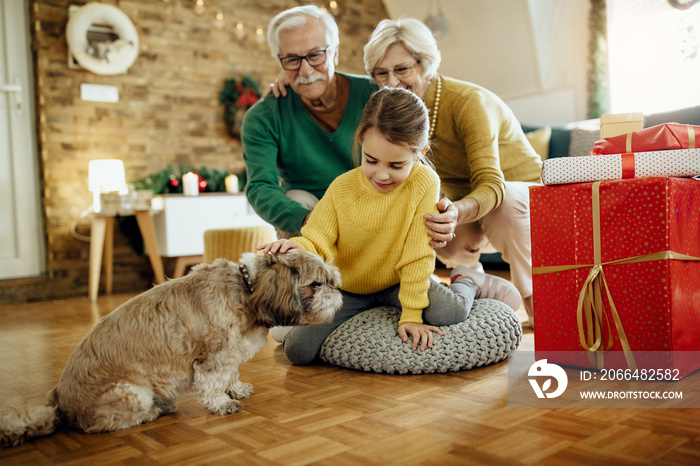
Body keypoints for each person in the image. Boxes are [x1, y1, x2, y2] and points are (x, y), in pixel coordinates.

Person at [256, 87, 521, 366]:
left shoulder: (425, 183)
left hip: (398, 281)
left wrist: (411, 316)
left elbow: (418, 255)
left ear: (420, 153)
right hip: (349, 289)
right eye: (371, 160)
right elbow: (317, 239)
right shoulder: (341, 188)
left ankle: (467, 279)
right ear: (360, 142)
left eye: (396, 165)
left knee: (451, 312)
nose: (381, 174)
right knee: (297, 351)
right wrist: (296, 247)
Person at [362, 18, 543, 327]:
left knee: (503, 205)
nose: (391, 82)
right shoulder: (399, 111)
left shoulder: (468, 103)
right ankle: (474, 290)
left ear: (426, 65)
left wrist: (456, 211)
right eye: (381, 73)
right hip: (477, 208)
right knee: (433, 223)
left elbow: (493, 185)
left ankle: (539, 310)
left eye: (402, 70)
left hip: (530, 201)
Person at [241, 5, 377, 237]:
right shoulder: (263, 116)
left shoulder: (375, 95)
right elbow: (260, 187)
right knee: (295, 198)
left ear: (335, 53)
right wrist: (306, 219)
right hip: (310, 216)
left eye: (315, 55)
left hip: (375, 205)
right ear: (280, 61)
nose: (305, 70)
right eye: (292, 59)